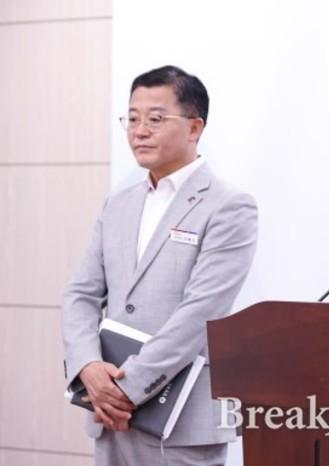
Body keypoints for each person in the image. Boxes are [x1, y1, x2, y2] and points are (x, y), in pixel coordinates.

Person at [62, 65, 257, 465]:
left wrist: (127, 388)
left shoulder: (229, 206)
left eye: (155, 119)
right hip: (108, 415)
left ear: (194, 127)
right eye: (132, 119)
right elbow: (81, 294)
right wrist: (88, 367)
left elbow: (201, 313)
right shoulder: (118, 203)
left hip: (181, 423)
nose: (140, 131)